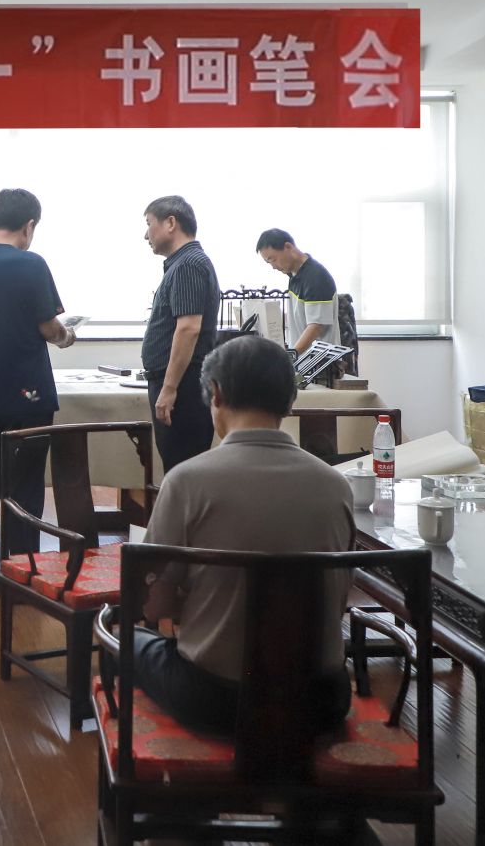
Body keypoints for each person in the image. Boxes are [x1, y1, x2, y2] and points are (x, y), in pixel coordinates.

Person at [136, 334, 355, 736]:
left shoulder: (187, 481)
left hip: (219, 700)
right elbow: (337, 598)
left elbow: (153, 606)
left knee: (125, 643)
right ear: (290, 402)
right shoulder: (336, 486)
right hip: (322, 700)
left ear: (216, 393)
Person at [0, 188, 77, 591]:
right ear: (29, 226)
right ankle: (22, 572)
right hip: (29, 395)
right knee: (25, 487)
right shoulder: (31, 264)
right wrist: (67, 336)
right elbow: (48, 327)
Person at [141, 195, 221, 473]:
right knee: (179, 469)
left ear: (171, 223)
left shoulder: (188, 265)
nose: (146, 235)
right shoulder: (183, 263)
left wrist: (169, 388)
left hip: (184, 386)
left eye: (149, 224)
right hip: (181, 382)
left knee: (182, 472)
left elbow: (188, 328)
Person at [255, 228, 339, 356]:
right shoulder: (294, 275)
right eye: (269, 262)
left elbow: (316, 326)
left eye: (273, 259)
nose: (273, 267)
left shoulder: (315, 276)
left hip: (319, 362)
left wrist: (290, 356)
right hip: (303, 358)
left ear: (288, 247)